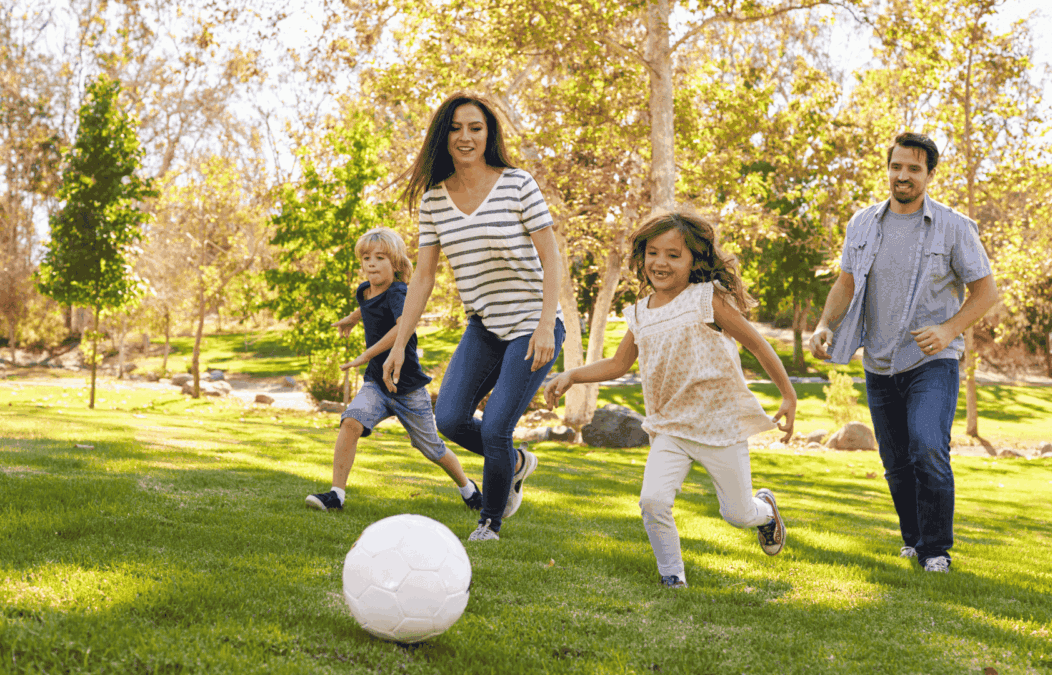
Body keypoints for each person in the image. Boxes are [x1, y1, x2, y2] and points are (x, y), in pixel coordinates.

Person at [545, 212, 796, 589]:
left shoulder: (706, 299)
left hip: (719, 424)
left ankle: (764, 513)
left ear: (693, 259)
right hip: (670, 427)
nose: (660, 263)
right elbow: (617, 363)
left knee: (738, 514)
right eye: (653, 253)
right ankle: (672, 576)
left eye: (673, 255)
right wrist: (572, 375)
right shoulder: (639, 314)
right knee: (653, 501)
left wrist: (788, 394)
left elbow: (756, 343)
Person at [809, 132, 997, 573]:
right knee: (895, 462)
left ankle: (937, 551)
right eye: (897, 166)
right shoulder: (863, 223)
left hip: (933, 360)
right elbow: (846, 283)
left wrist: (949, 328)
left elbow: (986, 292)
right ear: (888, 168)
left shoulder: (954, 226)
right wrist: (824, 324)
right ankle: (913, 540)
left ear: (930, 174)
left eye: (914, 168)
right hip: (878, 359)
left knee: (928, 446)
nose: (903, 176)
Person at [383, 93, 565, 542]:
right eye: (456, 128)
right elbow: (423, 277)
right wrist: (400, 344)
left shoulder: (518, 184)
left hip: (531, 324)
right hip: (484, 326)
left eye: (476, 128)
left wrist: (546, 325)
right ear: (443, 137)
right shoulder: (434, 202)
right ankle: (518, 464)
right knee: (449, 419)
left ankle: (490, 522)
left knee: (499, 425)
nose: (466, 137)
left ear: (489, 135)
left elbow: (553, 259)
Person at [305, 227, 483, 512]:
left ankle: (469, 490)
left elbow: (403, 325)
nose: (371, 263)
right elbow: (367, 308)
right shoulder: (364, 291)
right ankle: (336, 495)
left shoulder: (399, 293)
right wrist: (352, 319)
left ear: (396, 264)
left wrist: (366, 354)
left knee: (432, 449)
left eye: (380, 258)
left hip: (408, 387)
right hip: (376, 383)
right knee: (350, 421)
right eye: (366, 258)